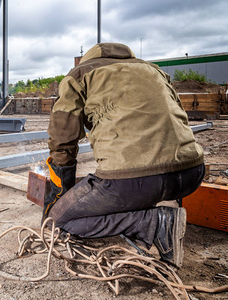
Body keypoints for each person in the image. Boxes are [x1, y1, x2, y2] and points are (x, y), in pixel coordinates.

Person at [44, 43, 204, 268]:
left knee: (57, 221)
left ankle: (154, 223)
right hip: (192, 173)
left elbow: (62, 141)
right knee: (139, 185)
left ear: (86, 60)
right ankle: (158, 210)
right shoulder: (153, 70)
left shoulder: (79, 75)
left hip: (132, 183)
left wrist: (60, 194)